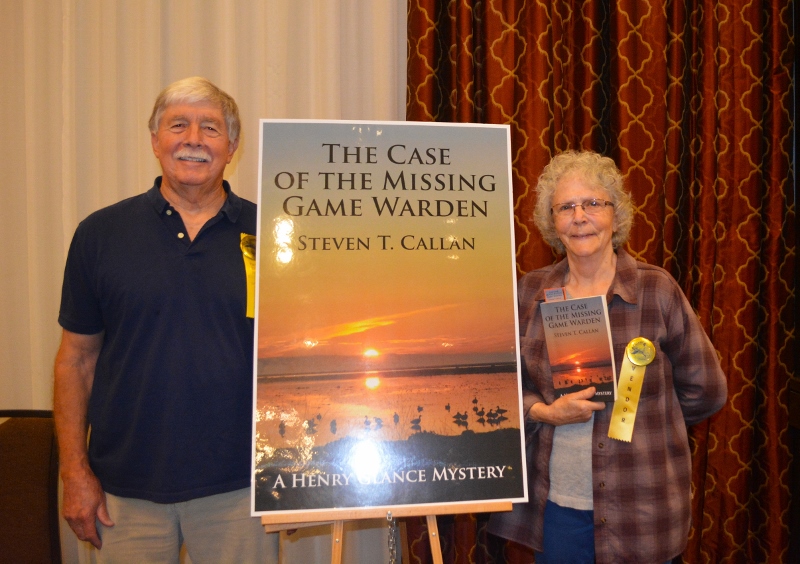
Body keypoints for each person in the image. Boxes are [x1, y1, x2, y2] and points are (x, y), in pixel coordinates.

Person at [54, 77, 278, 562]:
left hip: (241, 490)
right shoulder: (100, 234)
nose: (193, 138)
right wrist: (74, 473)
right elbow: (75, 361)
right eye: (178, 125)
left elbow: (298, 355)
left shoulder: (274, 234)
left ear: (232, 146)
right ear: (156, 141)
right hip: (124, 494)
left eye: (211, 128)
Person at [488, 150, 727, 563]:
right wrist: (545, 412)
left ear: (615, 216)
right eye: (565, 207)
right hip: (558, 510)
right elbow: (504, 387)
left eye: (593, 203)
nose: (579, 216)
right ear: (552, 222)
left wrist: (650, 419)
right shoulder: (530, 292)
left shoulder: (657, 290)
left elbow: (706, 389)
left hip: (642, 511)